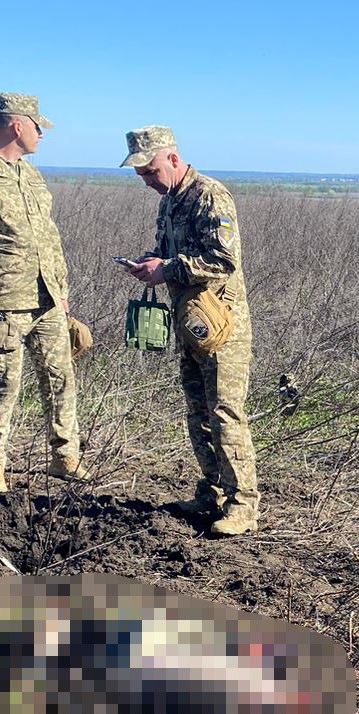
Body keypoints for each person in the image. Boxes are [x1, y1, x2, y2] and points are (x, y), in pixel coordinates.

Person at [0, 93, 87, 496]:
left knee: (61, 377)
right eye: (37, 125)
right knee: (2, 384)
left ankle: (65, 457)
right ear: (17, 125)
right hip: (3, 301)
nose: (42, 133)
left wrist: (60, 289)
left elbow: (49, 236)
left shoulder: (30, 174)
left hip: (47, 300)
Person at [120, 126, 258, 536]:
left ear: (173, 159)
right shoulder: (169, 203)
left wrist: (168, 269)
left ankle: (243, 505)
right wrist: (151, 264)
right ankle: (213, 491)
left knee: (225, 413)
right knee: (198, 413)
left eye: (150, 170)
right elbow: (170, 253)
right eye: (140, 173)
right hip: (189, 324)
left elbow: (223, 259)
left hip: (222, 327)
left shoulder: (209, 195)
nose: (145, 179)